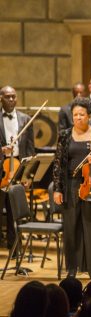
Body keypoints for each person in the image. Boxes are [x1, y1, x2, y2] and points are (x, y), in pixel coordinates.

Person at [53, 97, 91, 279]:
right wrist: (58, 189)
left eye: (81, 114)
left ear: (89, 116)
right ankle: (71, 268)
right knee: (71, 228)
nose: (78, 118)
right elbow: (59, 164)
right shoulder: (65, 135)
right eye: (75, 114)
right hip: (71, 185)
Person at [0, 86, 35, 251]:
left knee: (15, 210)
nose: (12, 100)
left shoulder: (26, 119)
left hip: (19, 167)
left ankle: (15, 248)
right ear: (1, 98)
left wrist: (28, 175)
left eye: (14, 97)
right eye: (8, 97)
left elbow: (30, 149)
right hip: (2, 167)